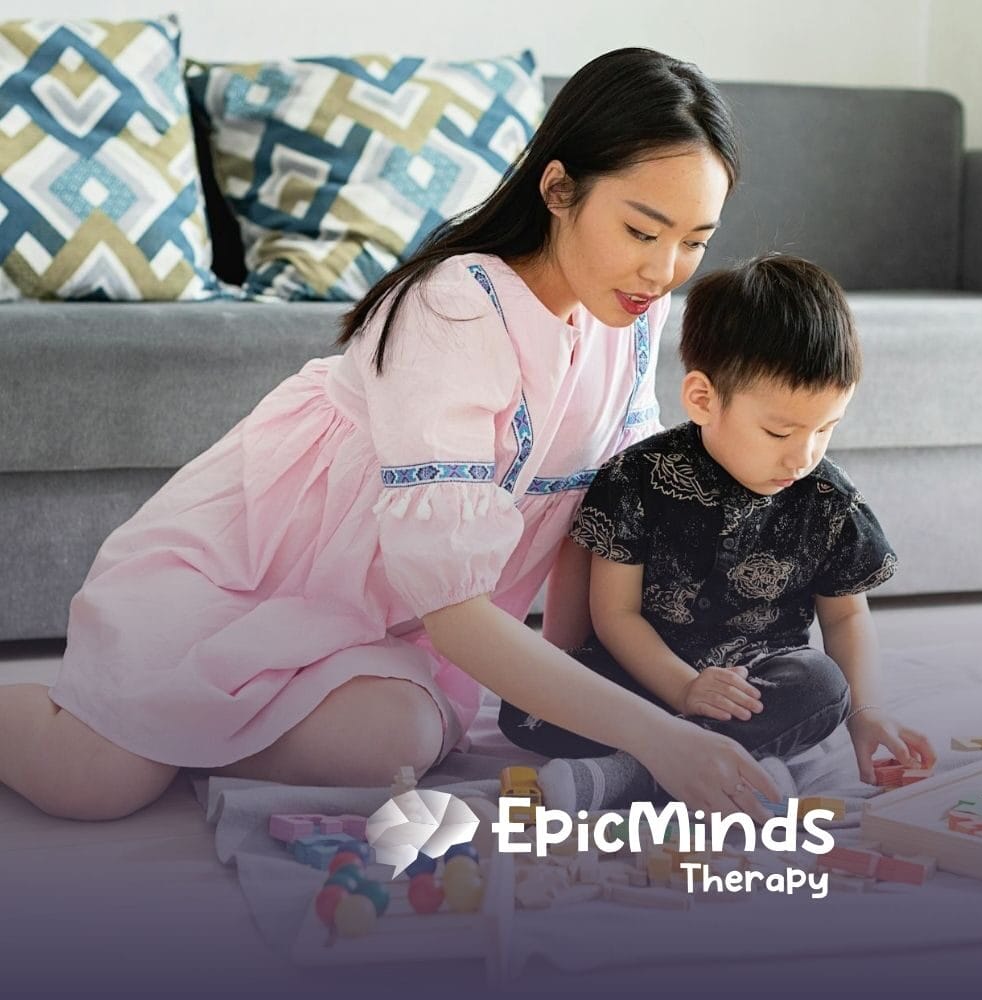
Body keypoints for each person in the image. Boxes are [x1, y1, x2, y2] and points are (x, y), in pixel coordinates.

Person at [0, 48, 784, 823]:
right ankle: (133, 729)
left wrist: (596, 694)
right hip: (244, 581)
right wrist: (653, 737)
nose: (664, 271)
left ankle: (167, 730)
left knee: (393, 749)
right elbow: (454, 607)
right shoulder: (454, 308)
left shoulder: (630, 321)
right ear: (558, 188)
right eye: (642, 231)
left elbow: (594, 521)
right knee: (94, 783)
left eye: (694, 241)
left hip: (372, 628)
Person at [499, 254, 937, 811]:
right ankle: (722, 757)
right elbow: (615, 616)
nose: (803, 456)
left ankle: (632, 775)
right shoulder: (636, 479)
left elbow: (847, 616)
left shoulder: (828, 500)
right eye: (779, 430)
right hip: (647, 678)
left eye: (826, 429)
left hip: (757, 685)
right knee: (526, 706)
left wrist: (868, 716)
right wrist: (684, 687)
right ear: (703, 398)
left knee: (820, 688)